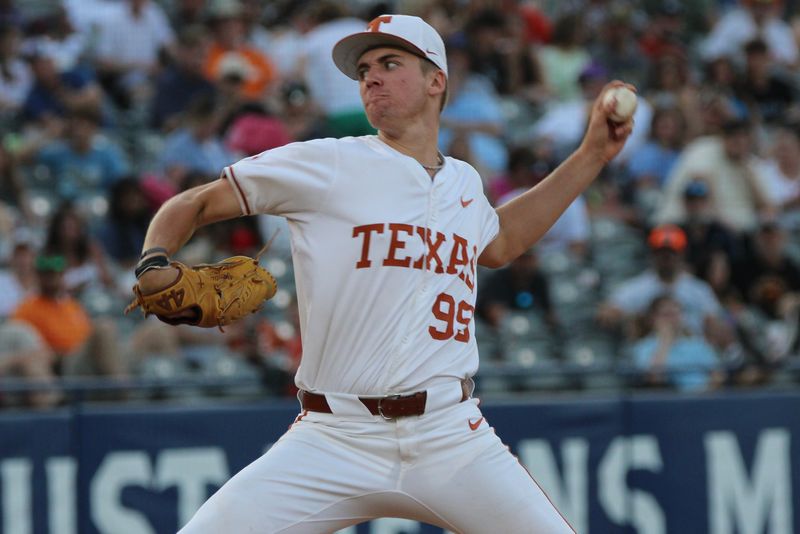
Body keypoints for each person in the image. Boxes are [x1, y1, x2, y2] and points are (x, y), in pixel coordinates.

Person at [133, 15, 632, 532]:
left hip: (450, 435)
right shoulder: (329, 162)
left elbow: (501, 241)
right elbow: (195, 202)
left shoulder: (464, 181)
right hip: (333, 436)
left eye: (390, 64)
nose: (371, 76)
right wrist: (153, 261)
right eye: (365, 68)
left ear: (436, 80)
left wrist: (592, 154)